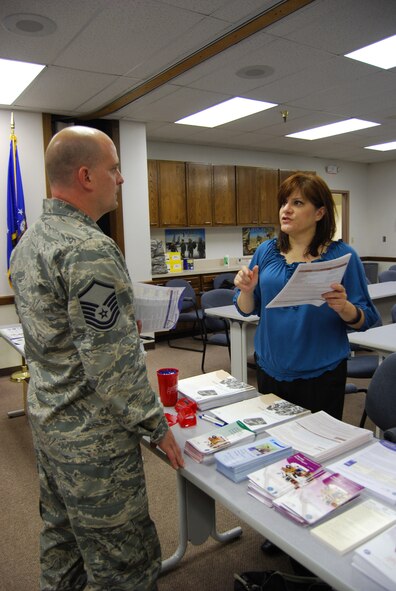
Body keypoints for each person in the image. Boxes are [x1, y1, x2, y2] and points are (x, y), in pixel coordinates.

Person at [10, 126, 184, 591]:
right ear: (86, 176)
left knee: (62, 542)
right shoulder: (88, 248)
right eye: (114, 169)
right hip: (94, 439)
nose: (122, 179)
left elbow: (58, 338)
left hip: (50, 422)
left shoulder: (29, 241)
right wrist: (155, 424)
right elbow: (112, 364)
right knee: (124, 564)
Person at [234, 172, 379, 554]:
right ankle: (280, 526)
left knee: (317, 455)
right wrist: (247, 292)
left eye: (297, 202)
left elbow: (366, 317)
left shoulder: (342, 257)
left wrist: (346, 307)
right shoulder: (266, 252)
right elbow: (248, 309)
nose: (286, 209)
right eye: (285, 201)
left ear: (319, 213)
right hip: (271, 368)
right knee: (277, 449)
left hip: (321, 371)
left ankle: (313, 534)